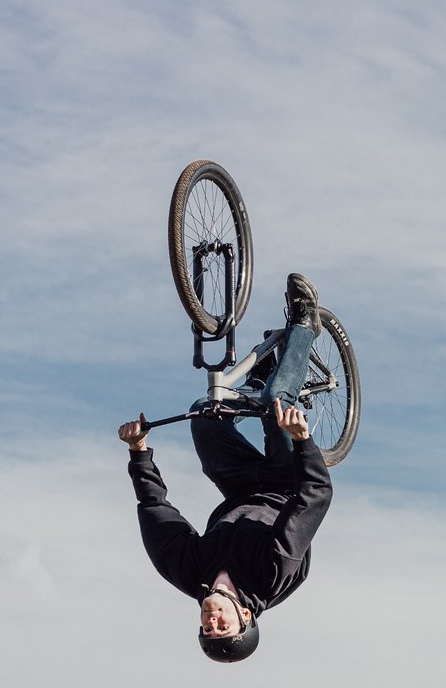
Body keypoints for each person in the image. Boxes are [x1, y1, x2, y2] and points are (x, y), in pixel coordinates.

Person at [117, 274, 332, 662]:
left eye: (206, 629)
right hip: (288, 485)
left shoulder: (188, 571)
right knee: (278, 403)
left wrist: (139, 452)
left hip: (239, 489)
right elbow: (313, 498)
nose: (211, 622)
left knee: (204, 413)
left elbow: (155, 512)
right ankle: (304, 325)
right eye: (223, 627)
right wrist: (302, 440)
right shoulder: (271, 570)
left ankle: (259, 378)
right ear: (245, 615)